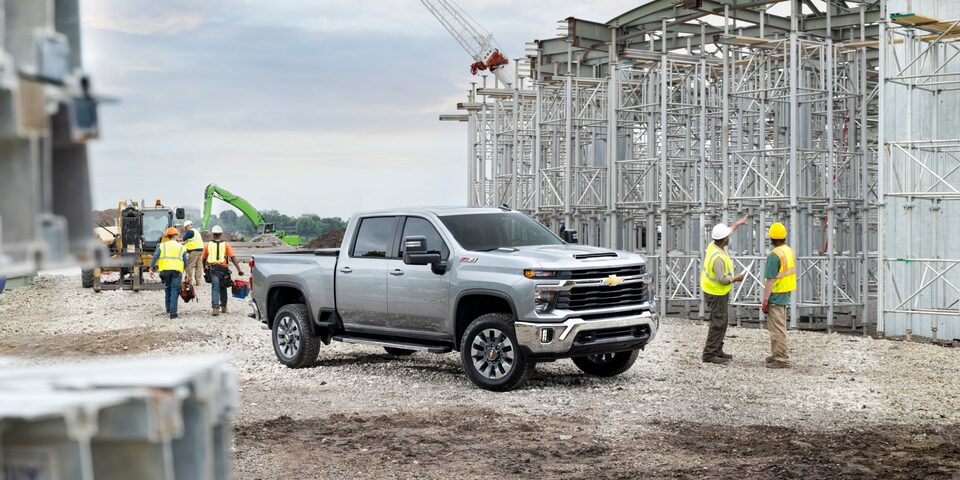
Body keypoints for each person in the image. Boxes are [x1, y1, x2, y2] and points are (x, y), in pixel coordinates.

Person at [700, 218, 748, 365]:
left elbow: (729, 231)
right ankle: (709, 354)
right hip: (716, 292)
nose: (729, 236)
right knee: (718, 322)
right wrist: (736, 278)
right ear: (725, 240)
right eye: (728, 236)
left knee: (722, 321)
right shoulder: (718, 258)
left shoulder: (714, 245)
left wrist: (737, 224)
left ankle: (717, 349)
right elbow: (722, 279)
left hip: (715, 291)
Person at [761, 222, 796, 369]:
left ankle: (781, 358)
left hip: (776, 294)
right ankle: (777, 353)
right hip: (785, 293)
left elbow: (770, 280)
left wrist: (765, 299)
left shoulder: (774, 255)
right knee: (779, 326)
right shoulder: (787, 251)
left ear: (771, 238)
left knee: (777, 328)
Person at [203, 225, 244, 316]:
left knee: (215, 288)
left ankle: (215, 309)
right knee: (223, 287)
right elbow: (232, 257)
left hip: (213, 269)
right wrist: (239, 269)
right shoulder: (226, 245)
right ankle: (224, 307)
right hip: (223, 269)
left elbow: (203, 258)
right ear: (221, 234)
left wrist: (204, 268)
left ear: (213, 234)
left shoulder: (208, 245)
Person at [150, 227, 188, 319]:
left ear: (167, 236)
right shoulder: (181, 247)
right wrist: (187, 273)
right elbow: (185, 261)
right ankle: (173, 313)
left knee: (168, 288)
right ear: (175, 236)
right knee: (175, 290)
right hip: (177, 271)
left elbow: (155, 257)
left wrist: (151, 268)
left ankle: (168, 309)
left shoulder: (162, 246)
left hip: (165, 271)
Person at [182, 220, 204, 286]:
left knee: (189, 266)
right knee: (199, 266)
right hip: (200, 250)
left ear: (188, 226)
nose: (185, 229)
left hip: (194, 250)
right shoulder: (196, 231)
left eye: (185, 228)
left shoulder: (190, 231)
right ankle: (198, 282)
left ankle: (189, 281)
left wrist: (181, 241)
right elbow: (191, 240)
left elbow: (184, 238)